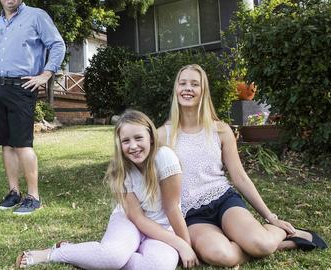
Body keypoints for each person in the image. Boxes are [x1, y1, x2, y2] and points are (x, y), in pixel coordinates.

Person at [158, 64, 327, 267]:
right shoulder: (161, 135)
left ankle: (281, 233)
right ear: (176, 89)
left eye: (195, 84)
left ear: (203, 91)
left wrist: (270, 217)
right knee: (221, 256)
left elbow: (239, 177)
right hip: (191, 214)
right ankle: (283, 244)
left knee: (261, 244)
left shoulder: (220, 130)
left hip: (223, 201)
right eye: (182, 83)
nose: (188, 88)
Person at [15, 109, 199, 269]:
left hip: (162, 228)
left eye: (138, 138)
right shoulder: (122, 169)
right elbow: (137, 217)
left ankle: (100, 258)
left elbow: (172, 208)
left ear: (151, 137)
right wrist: (180, 246)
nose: (133, 146)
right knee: (112, 256)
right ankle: (57, 252)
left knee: (157, 266)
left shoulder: (165, 157)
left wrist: (185, 245)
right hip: (130, 222)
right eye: (126, 141)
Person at [0, 0, 66, 215]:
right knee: (6, 144)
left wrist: (46, 74)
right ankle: (14, 192)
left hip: (22, 87)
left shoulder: (36, 16)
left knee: (22, 144)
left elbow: (57, 44)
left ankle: (33, 196)